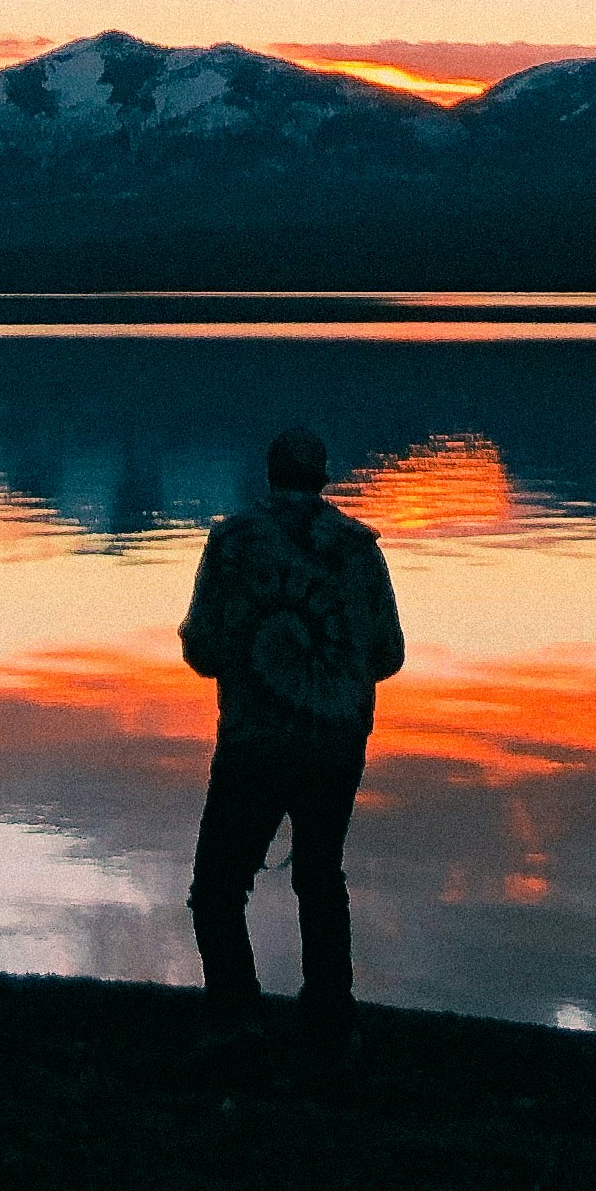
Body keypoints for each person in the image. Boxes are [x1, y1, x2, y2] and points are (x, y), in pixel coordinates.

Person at [180, 422, 405, 1063]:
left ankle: (236, 1015)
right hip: (336, 744)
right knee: (320, 878)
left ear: (270, 475)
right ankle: (330, 1023)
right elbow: (387, 654)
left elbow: (203, 650)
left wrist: (257, 663)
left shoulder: (232, 542)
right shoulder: (361, 550)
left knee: (219, 888)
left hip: (254, 742)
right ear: (325, 478)